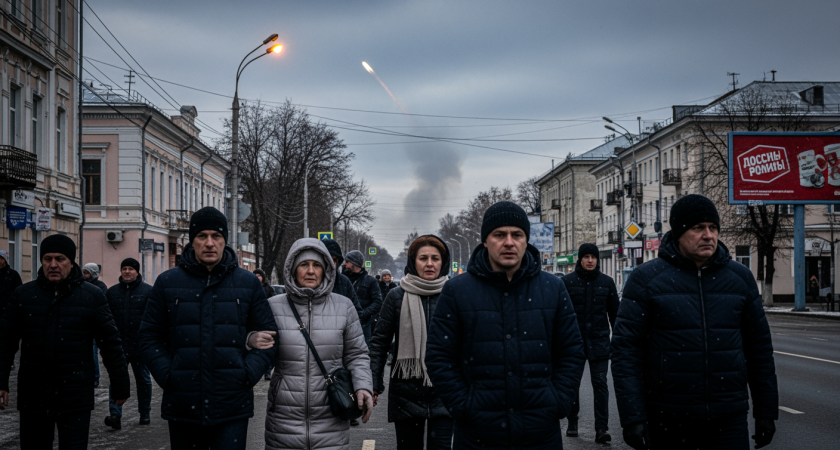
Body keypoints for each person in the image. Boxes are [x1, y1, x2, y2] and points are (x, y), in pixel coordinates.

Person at [611, 194, 778, 450]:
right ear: (679, 233)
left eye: (713, 228)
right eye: (698, 228)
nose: (708, 235)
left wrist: (766, 411)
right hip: (668, 417)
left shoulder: (740, 278)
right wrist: (632, 416)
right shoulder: (647, 279)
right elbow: (626, 352)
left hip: (728, 417)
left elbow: (759, 350)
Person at [426, 201, 586, 450]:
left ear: (526, 240)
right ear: (485, 241)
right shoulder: (457, 291)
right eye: (499, 234)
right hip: (478, 436)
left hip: (540, 433)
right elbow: (439, 356)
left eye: (517, 235)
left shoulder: (553, 288)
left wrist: (558, 401)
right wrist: (464, 406)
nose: (509, 242)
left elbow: (571, 351)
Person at [139, 207, 277, 450]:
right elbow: (149, 336)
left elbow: (269, 338)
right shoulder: (168, 282)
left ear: (225, 240)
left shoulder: (247, 283)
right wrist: (168, 376)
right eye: (202, 236)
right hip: (183, 405)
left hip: (232, 405)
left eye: (216, 236)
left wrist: (246, 375)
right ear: (192, 240)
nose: (210, 243)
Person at [0, 234, 130, 449]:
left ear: (71, 262)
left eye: (60, 259)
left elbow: (110, 343)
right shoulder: (23, 295)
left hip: (75, 395)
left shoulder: (92, 296)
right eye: (47, 259)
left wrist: (120, 385)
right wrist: (1, 381)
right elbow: (5, 342)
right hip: (34, 394)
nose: (53, 264)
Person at [262, 238, 373, 450]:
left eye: (317, 265)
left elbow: (357, 354)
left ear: (326, 270)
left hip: (331, 414)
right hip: (284, 417)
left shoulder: (344, 307)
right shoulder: (273, 307)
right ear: (293, 269)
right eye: (304, 264)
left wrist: (363, 386)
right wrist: (251, 339)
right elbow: (256, 349)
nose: (311, 271)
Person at [369, 235, 454, 450]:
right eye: (423, 258)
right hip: (406, 393)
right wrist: (374, 383)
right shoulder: (396, 296)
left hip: (446, 391)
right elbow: (379, 342)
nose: (429, 263)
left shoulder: (455, 294)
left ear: (443, 262)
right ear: (413, 262)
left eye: (435, 258)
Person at [560, 243, 619, 443]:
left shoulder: (607, 283)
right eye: (586, 257)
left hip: (599, 342)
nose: (590, 260)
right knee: (573, 384)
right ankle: (573, 421)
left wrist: (618, 341)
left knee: (600, 383)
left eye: (593, 257)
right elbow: (560, 316)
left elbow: (615, 315)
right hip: (573, 344)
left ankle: (601, 428)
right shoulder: (567, 282)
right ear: (580, 259)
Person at [103, 258, 154, 430]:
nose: (127, 271)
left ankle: (144, 412)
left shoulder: (148, 291)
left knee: (143, 380)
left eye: (131, 269)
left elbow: (152, 318)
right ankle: (115, 415)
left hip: (140, 345)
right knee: (116, 379)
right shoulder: (112, 292)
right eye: (124, 268)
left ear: (137, 271)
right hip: (118, 345)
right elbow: (106, 318)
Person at [343, 249, 383, 344]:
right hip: (343, 325)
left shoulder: (371, 281)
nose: (344, 264)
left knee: (363, 350)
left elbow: (378, 302)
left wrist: (363, 315)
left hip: (363, 326)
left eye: (347, 261)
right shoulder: (341, 280)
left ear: (354, 263)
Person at [83, 262, 108, 388]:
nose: (83, 275)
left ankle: (95, 377)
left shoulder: (100, 287)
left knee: (93, 351)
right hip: (84, 324)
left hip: (94, 324)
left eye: (86, 272)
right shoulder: (82, 285)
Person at [0, 250, 23, 371]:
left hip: (10, 312)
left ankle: (10, 360)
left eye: (1, 258)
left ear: (4, 260)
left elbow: (19, 292)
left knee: (10, 339)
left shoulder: (13, 275)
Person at [253, 268, 276, 381]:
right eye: (256, 275)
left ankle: (267, 371)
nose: (258, 277)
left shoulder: (269, 289)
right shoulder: (251, 287)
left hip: (267, 318)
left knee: (268, 345)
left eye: (259, 275)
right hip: (255, 320)